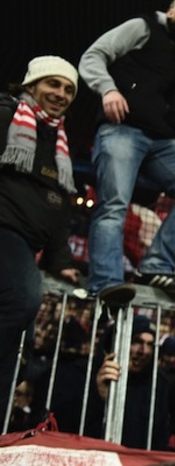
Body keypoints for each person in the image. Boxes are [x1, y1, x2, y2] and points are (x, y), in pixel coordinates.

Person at [78, 0, 175, 300]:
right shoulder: (144, 27)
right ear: (170, 11)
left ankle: (155, 266)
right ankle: (106, 283)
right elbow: (93, 56)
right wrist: (107, 89)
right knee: (114, 204)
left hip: (164, 138)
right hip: (123, 128)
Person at [0, 56, 82, 424]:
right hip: (4, 233)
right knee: (24, 300)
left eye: (68, 89)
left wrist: (61, 260)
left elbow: (59, 209)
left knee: (18, 352)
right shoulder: (6, 116)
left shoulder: (59, 144)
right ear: (31, 86)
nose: (61, 94)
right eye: (53, 84)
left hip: (27, 246)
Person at [90, 314, 171, 450]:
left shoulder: (159, 384)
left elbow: (159, 438)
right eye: (136, 341)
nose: (143, 351)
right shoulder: (90, 376)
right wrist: (102, 399)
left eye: (150, 345)